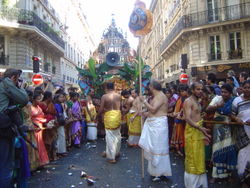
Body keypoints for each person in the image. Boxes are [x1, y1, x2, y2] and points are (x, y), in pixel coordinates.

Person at [0, 69, 28, 187]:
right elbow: (24, 99)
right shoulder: (6, 84)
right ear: (14, 77)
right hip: (3, 129)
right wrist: (20, 87)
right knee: (6, 165)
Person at [139, 80, 172, 181]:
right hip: (154, 123)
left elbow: (153, 110)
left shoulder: (161, 96)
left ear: (152, 87)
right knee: (153, 148)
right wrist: (144, 113)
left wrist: (143, 101)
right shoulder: (156, 96)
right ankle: (155, 172)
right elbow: (152, 112)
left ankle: (160, 172)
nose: (148, 88)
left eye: (149, 86)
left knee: (159, 148)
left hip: (159, 125)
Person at [206, 84, 237, 182]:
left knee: (228, 150)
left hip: (229, 128)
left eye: (226, 92)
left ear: (230, 93)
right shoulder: (217, 99)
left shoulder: (234, 100)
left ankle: (229, 175)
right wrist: (218, 105)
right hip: (218, 127)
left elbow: (235, 114)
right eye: (222, 92)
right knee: (217, 149)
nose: (223, 94)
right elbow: (207, 109)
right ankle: (215, 175)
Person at [183, 82, 210, 188]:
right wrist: (199, 128)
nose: (200, 91)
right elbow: (188, 118)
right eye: (198, 89)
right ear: (192, 90)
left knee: (199, 156)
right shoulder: (188, 101)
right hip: (192, 132)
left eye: (201, 89)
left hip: (198, 132)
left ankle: (200, 184)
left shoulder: (198, 101)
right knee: (192, 157)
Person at [231, 80, 250, 188]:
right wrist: (237, 119)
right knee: (242, 158)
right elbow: (232, 115)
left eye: (249, 88)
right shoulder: (237, 100)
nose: (247, 90)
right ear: (242, 88)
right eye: (245, 87)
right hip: (242, 134)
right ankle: (243, 180)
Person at [98, 82, 121, 164]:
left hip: (109, 116)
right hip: (117, 116)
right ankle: (116, 153)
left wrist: (97, 115)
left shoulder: (104, 96)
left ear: (106, 88)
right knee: (117, 135)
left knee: (110, 137)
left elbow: (101, 108)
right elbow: (119, 107)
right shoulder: (118, 95)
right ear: (114, 88)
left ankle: (112, 157)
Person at [30, 92, 49, 167]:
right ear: (33, 100)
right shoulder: (30, 107)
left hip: (40, 127)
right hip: (35, 127)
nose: (40, 101)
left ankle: (41, 161)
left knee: (40, 144)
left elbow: (42, 116)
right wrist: (36, 124)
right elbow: (29, 118)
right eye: (38, 99)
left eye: (40, 99)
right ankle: (36, 163)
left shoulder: (38, 107)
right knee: (36, 145)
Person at [39, 91, 57, 161]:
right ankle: (46, 157)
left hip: (52, 124)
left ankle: (52, 156)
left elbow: (54, 113)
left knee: (53, 140)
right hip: (45, 125)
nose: (52, 98)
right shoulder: (41, 104)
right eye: (51, 96)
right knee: (46, 142)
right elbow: (40, 114)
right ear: (48, 97)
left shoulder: (51, 104)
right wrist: (45, 123)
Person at [171, 84, 188, 156]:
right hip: (177, 119)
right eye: (180, 91)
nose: (181, 93)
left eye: (183, 91)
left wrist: (177, 114)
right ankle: (179, 150)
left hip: (183, 120)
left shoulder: (187, 100)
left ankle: (183, 151)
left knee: (182, 136)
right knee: (178, 135)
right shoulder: (180, 99)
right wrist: (175, 114)